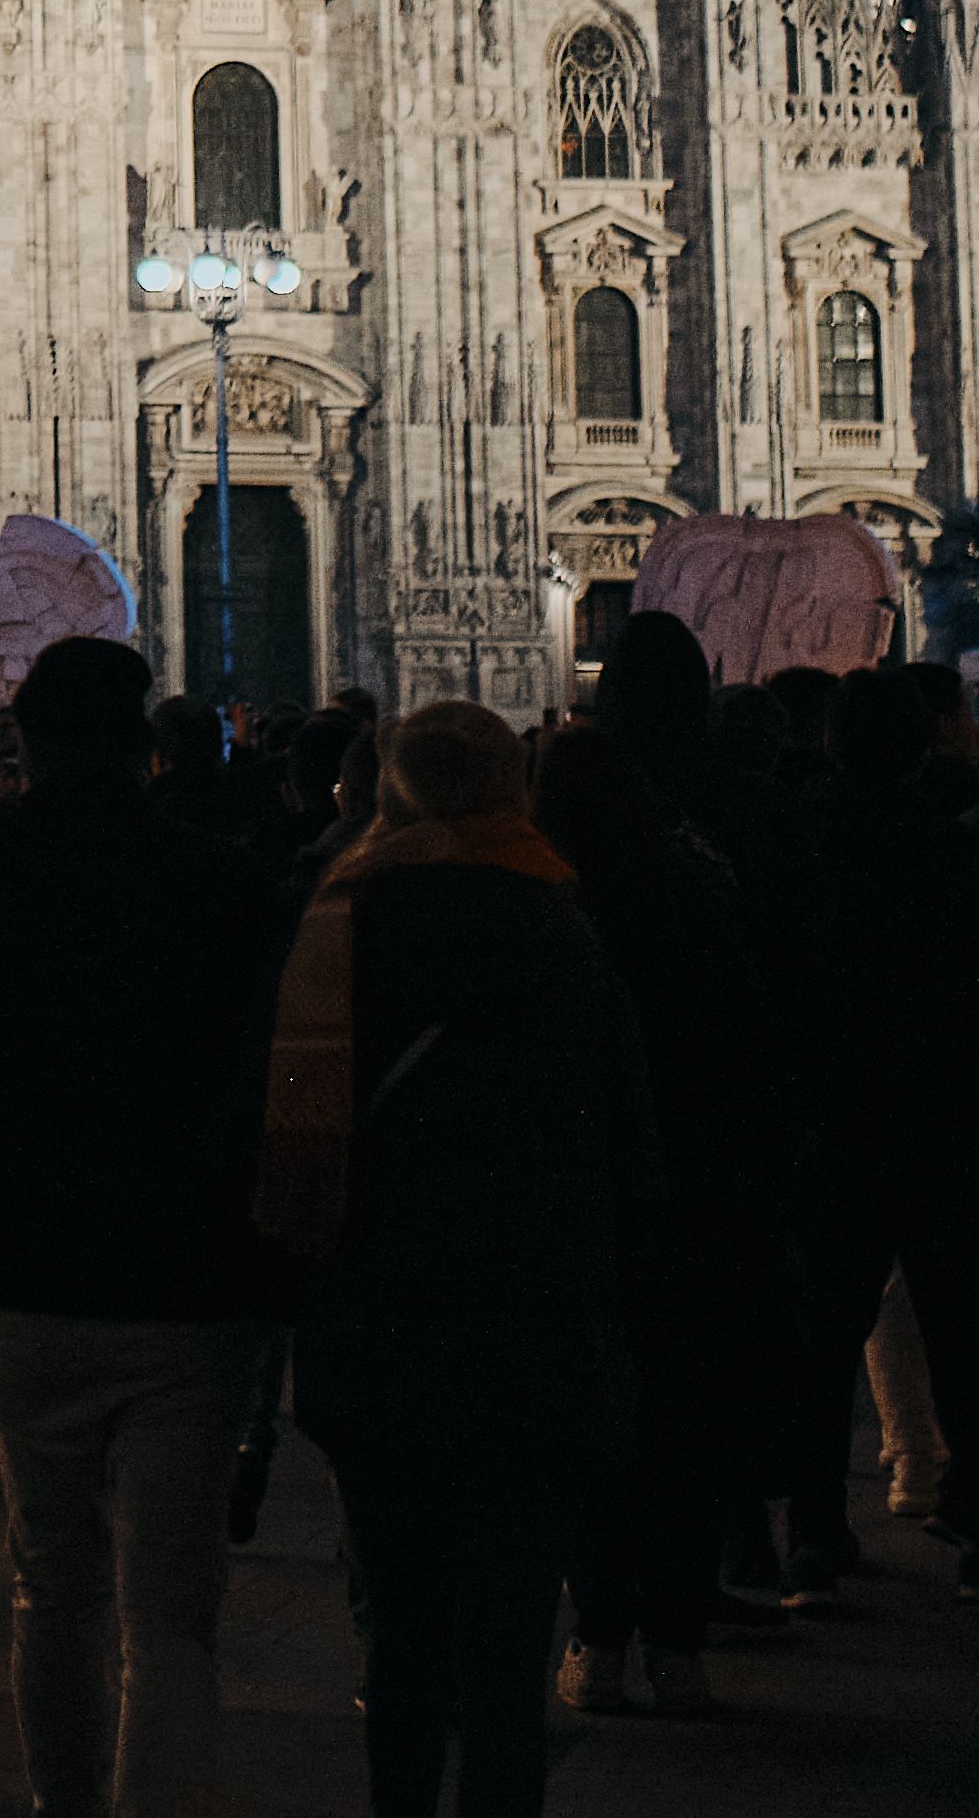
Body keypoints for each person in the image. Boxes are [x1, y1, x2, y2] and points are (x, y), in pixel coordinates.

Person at [0, 635, 284, 1818]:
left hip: (26, 1260)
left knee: (51, 1577)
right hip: (189, 1268)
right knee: (173, 1605)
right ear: (144, 745)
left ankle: (62, 1805)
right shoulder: (226, 881)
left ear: (26, 736)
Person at [263, 702, 645, 1818]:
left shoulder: (336, 913)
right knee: (508, 1646)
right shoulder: (560, 922)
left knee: (404, 1628)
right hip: (532, 1332)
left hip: (377, 1332)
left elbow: (282, 1125)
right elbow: (623, 1141)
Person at [755, 656, 979, 1596]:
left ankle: (815, 1531)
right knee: (959, 1336)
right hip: (941, 1125)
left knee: (827, 1339)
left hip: (834, 1126)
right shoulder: (956, 848)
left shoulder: (796, 843)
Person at [531, 714, 770, 1725]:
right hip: (693, 1201)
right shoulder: (698, 894)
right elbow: (750, 1047)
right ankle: (679, 1644)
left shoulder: (543, 902)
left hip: (582, 1207)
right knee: (684, 1420)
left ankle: (597, 1635)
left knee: (593, 1427)